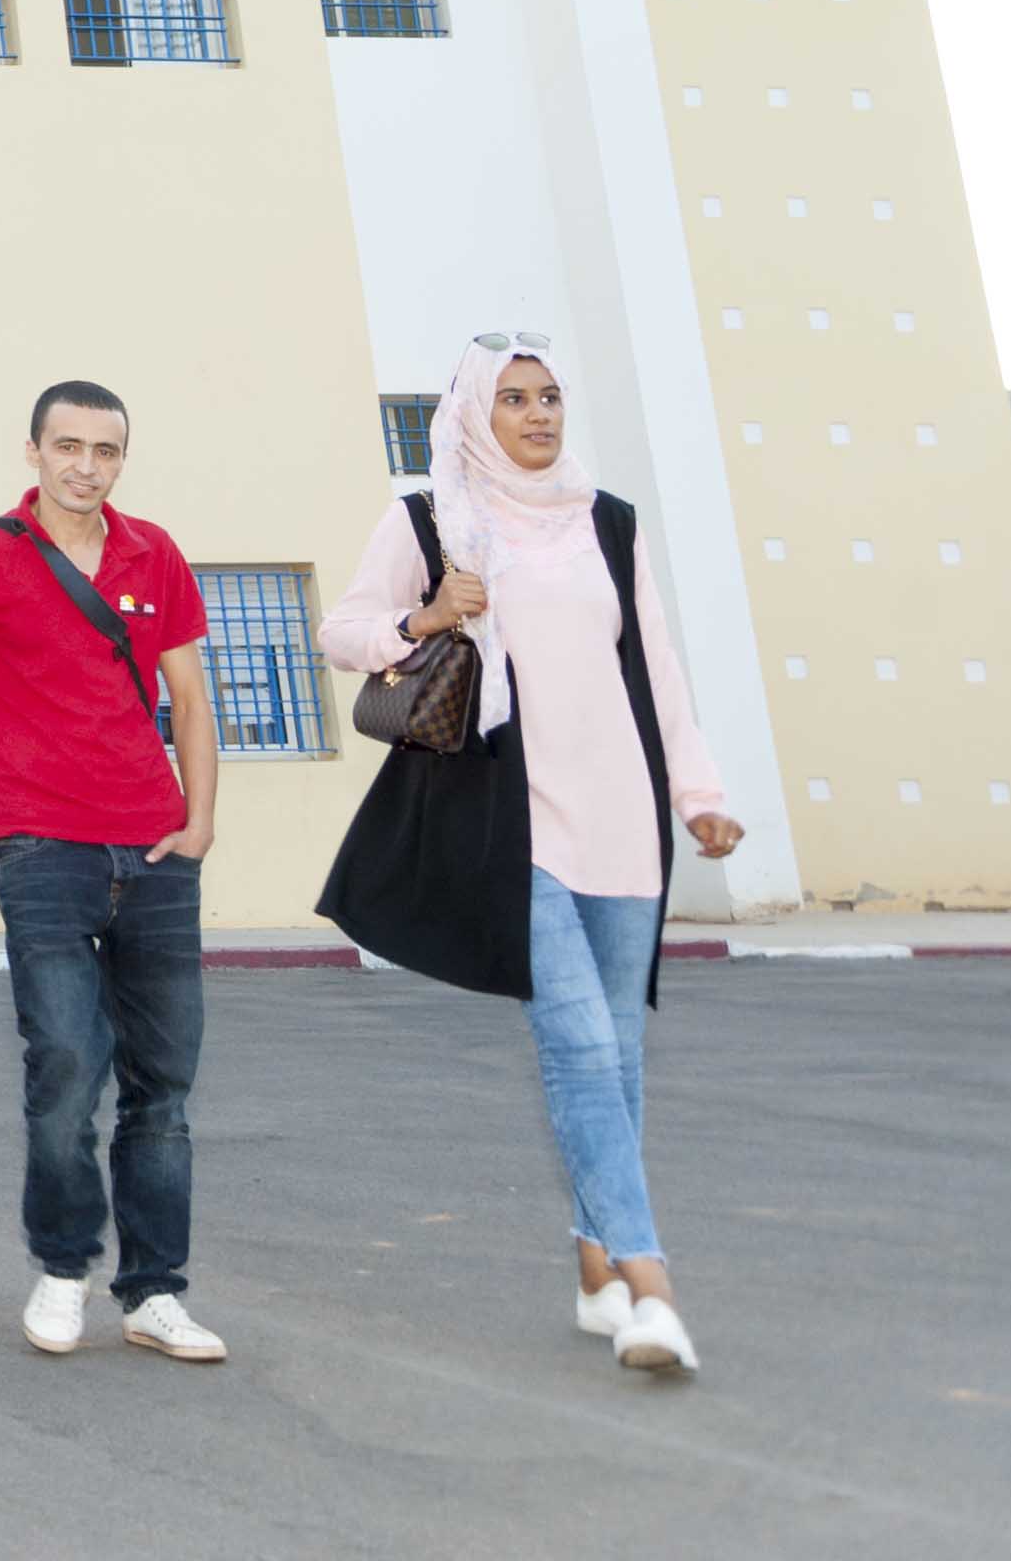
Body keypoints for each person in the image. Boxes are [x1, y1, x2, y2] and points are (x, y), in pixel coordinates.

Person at [317, 337, 743, 1376]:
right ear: (475, 414)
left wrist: (697, 796)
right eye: (512, 398)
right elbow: (342, 631)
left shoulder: (607, 521)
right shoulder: (434, 520)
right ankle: (649, 1287)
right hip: (514, 824)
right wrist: (424, 616)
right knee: (580, 1048)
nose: (537, 413)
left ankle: (596, 1272)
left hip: (623, 819)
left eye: (549, 395)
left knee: (620, 1057)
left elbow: (656, 667)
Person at [0, 382, 232, 1365]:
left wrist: (199, 822)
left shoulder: (153, 553)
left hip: (155, 850)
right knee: (61, 1068)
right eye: (68, 446)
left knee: (161, 1087)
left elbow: (189, 699)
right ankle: (61, 1269)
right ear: (33, 451)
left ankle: (154, 1293)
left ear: (121, 458)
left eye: (105, 450)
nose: (85, 466)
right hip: (40, 846)